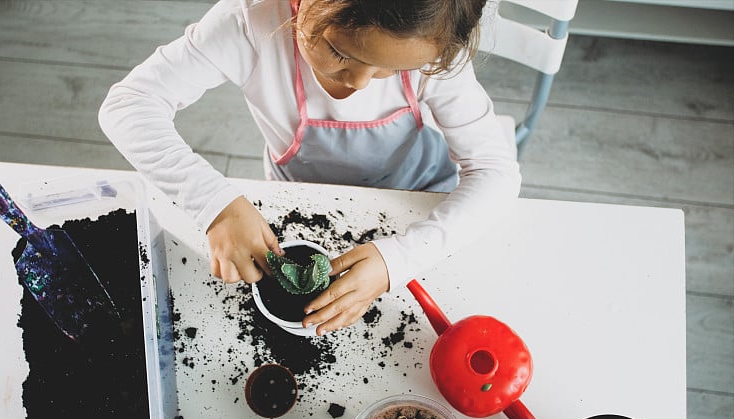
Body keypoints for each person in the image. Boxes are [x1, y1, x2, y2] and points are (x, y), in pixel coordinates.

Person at [98, 0, 521, 336]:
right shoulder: (250, 22)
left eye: (392, 70)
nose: (357, 83)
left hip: (414, 194)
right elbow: (128, 105)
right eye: (339, 52)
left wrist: (399, 259)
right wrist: (213, 204)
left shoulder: (435, 34)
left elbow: (496, 174)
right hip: (298, 190)